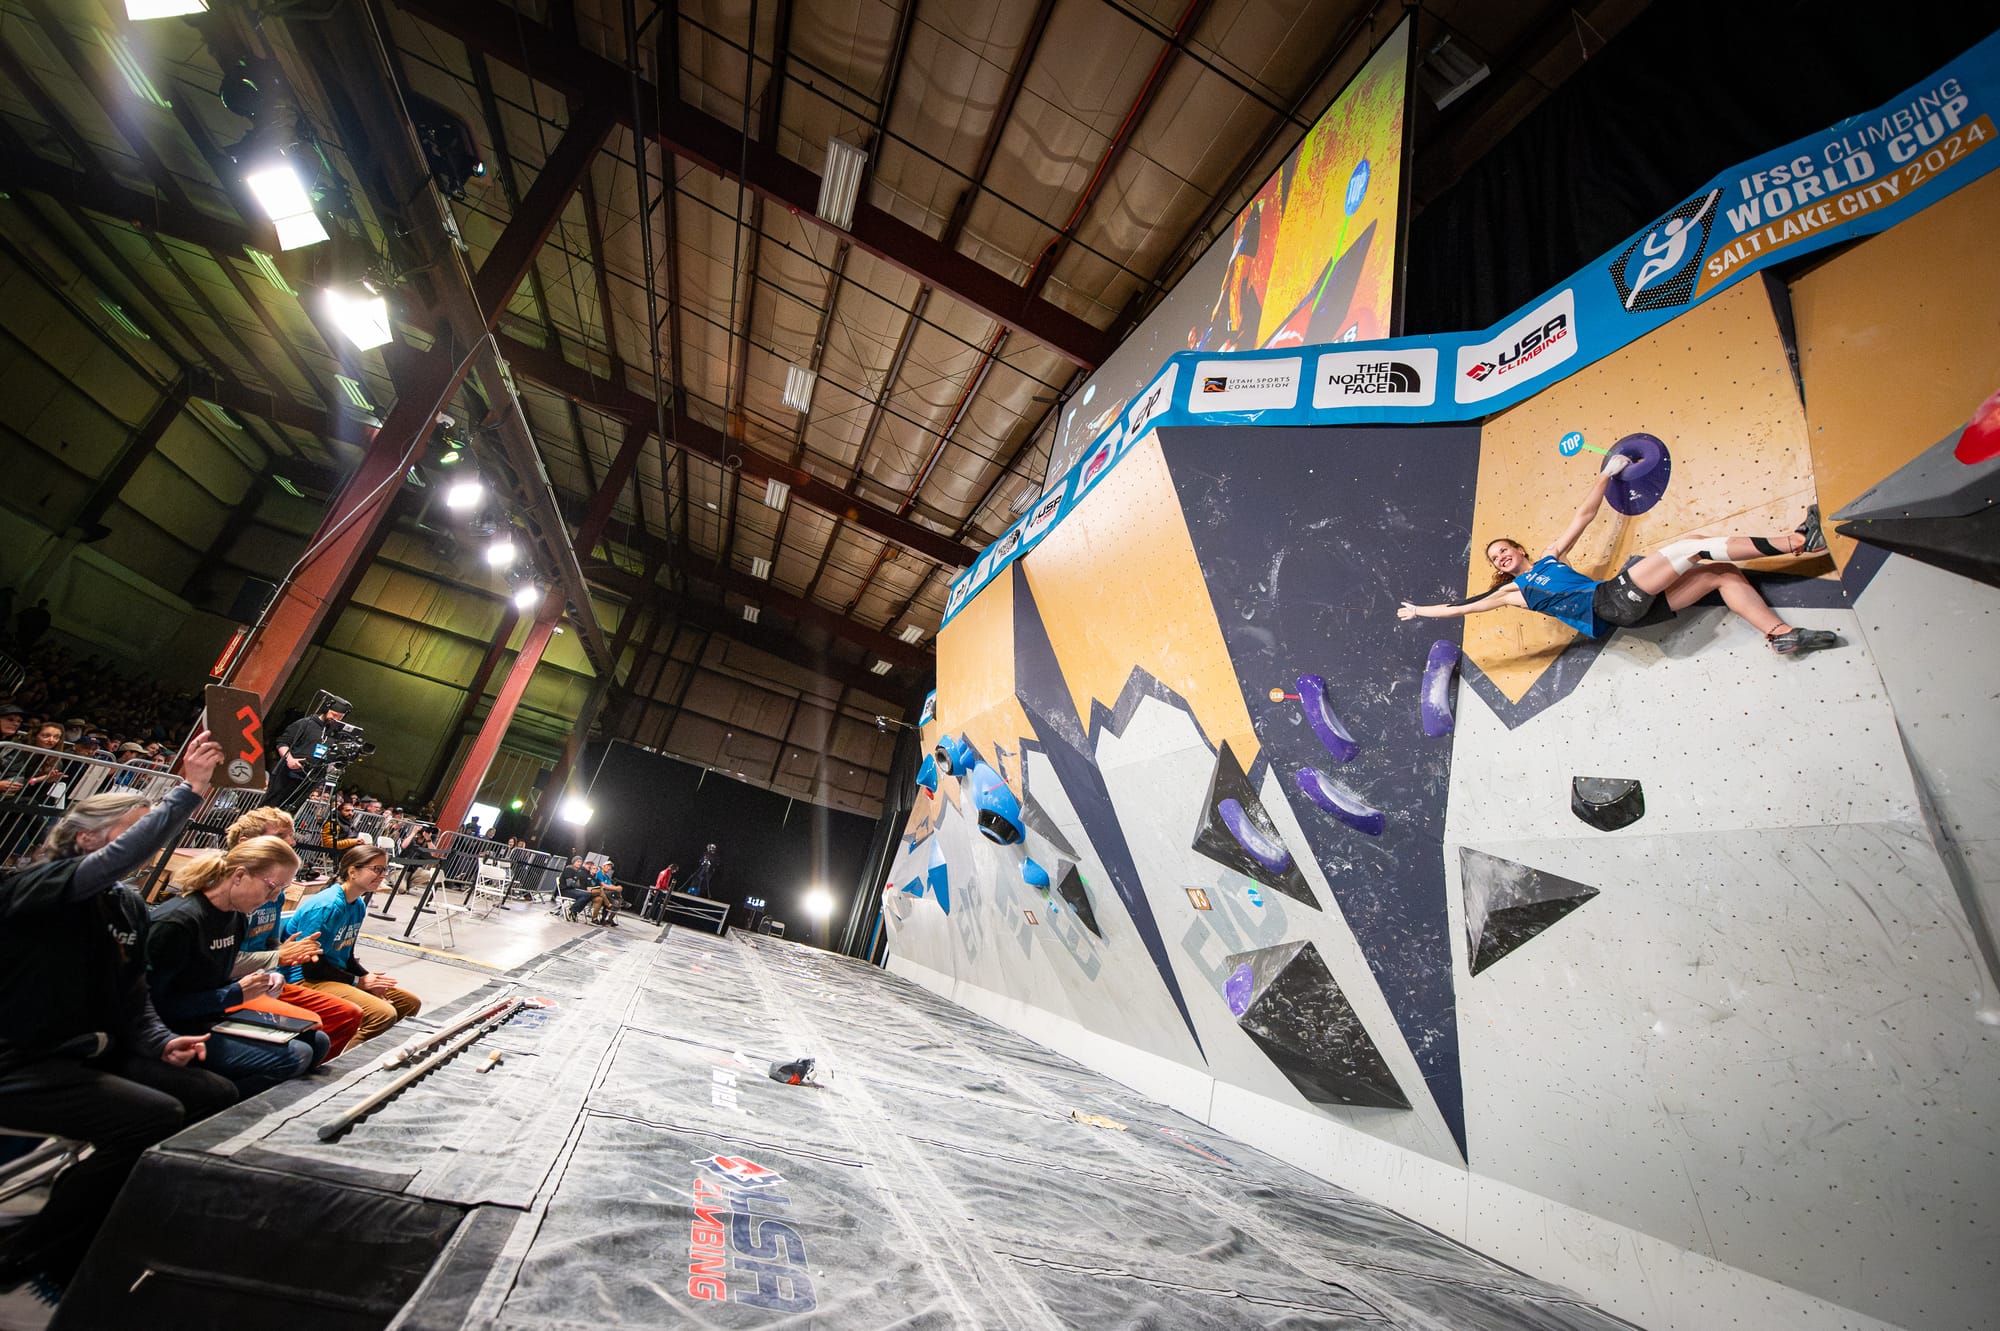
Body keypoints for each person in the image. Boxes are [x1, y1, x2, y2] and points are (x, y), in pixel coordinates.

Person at [0, 732, 237, 1295]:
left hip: (89, 1055)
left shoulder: (128, 905)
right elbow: (113, 862)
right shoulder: (38, 885)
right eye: (133, 833)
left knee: (216, 1095)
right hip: (21, 1061)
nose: (144, 848)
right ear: (87, 838)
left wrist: (160, 1041)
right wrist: (188, 792)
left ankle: (119, 1221)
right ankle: (34, 1250)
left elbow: (135, 996)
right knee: (149, 1117)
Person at [1397, 458, 1840, 655]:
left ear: (1519, 549)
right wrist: (1419, 611)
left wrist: (1606, 475)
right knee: (1691, 545)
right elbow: (1462, 608)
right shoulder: (1514, 592)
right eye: (1494, 559)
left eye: (1503, 551)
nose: (1500, 559)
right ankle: (1799, 542)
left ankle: (1781, 635)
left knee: (1720, 573)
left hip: (1629, 612)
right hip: (1609, 603)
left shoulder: (1550, 558)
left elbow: (1584, 515)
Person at [146, 837, 330, 1095]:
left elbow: (216, 977)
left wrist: (257, 981)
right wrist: (235, 993)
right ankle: (215, 1107)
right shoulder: (179, 922)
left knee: (318, 1041)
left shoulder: (236, 918)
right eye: (271, 887)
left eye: (281, 890)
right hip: (172, 1026)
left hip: (210, 1014)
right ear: (240, 875)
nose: (272, 898)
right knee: (295, 1055)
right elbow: (150, 1004)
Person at [219, 808, 362, 1059]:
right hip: (233, 983)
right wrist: (278, 957)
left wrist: (283, 956)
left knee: (346, 1015)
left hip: (264, 977)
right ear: (246, 843)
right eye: (281, 835)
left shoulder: (276, 893)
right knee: (313, 1030)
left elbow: (271, 941)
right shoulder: (229, 895)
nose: (292, 842)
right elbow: (223, 962)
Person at [284, 846, 421, 1043]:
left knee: (409, 1004)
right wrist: (358, 981)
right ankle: (340, 1059)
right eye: (376, 869)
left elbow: (347, 956)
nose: (382, 875)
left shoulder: (357, 905)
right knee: (383, 1014)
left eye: (385, 869)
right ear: (352, 871)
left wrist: (368, 979)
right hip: (304, 979)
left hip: (332, 975)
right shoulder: (328, 905)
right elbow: (311, 967)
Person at [263, 697, 351, 812]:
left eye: (340, 717)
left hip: (311, 778)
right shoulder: (305, 723)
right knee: (270, 807)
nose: (336, 719)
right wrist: (290, 759)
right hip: (288, 773)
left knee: (290, 811)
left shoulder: (335, 733)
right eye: (334, 715)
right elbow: (282, 742)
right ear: (326, 709)